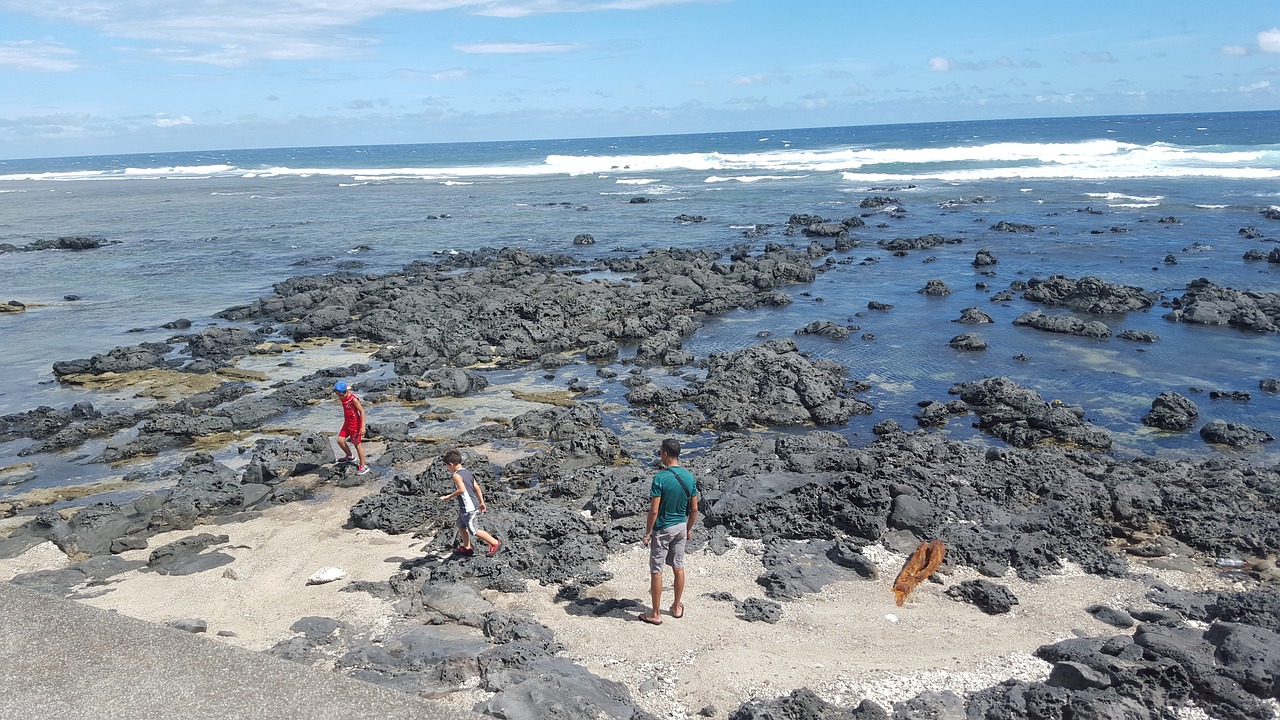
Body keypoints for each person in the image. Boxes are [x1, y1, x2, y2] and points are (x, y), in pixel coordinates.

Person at [639, 438, 699, 625]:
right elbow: (695, 509)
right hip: (681, 526)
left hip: (663, 528)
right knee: (678, 567)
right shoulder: (689, 477)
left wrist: (648, 532)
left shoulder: (660, 478)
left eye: (659, 452)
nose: (659, 455)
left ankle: (655, 614)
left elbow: (654, 510)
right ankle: (675, 606)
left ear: (665, 454)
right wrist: (689, 529)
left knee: (657, 571)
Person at [438, 449, 502, 557]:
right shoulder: (467, 472)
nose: (446, 468)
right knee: (461, 525)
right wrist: (482, 502)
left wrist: (448, 497)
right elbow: (477, 488)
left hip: (469, 508)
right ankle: (467, 547)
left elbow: (461, 490)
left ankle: (495, 543)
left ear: (451, 464)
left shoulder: (456, 475)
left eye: (446, 465)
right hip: (468, 507)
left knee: (474, 530)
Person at [332, 381, 369, 475]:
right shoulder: (342, 393)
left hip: (355, 425)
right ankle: (350, 456)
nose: (339, 397)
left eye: (340, 395)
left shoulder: (353, 399)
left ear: (344, 393)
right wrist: (349, 387)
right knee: (340, 441)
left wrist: (362, 426)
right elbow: (347, 388)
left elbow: (362, 412)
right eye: (337, 395)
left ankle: (363, 466)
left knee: (357, 445)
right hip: (347, 423)